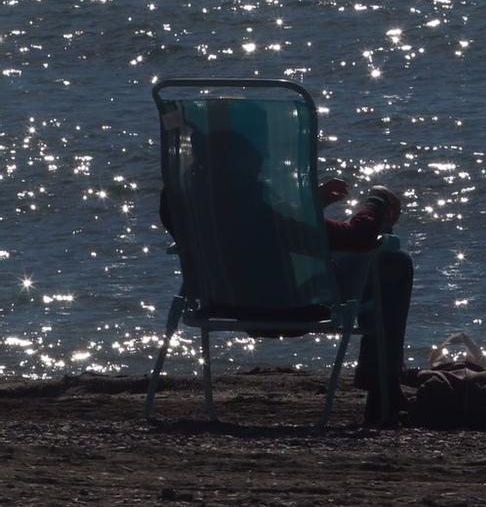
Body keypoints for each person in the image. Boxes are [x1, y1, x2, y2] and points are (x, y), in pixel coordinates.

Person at [160, 142, 413, 427]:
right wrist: (377, 203)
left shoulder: (183, 203)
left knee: (381, 259)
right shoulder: (260, 210)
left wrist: (309, 206)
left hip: (225, 303)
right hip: (294, 309)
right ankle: (383, 389)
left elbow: (264, 237)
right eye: (257, 167)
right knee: (392, 261)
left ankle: (387, 389)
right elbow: (358, 237)